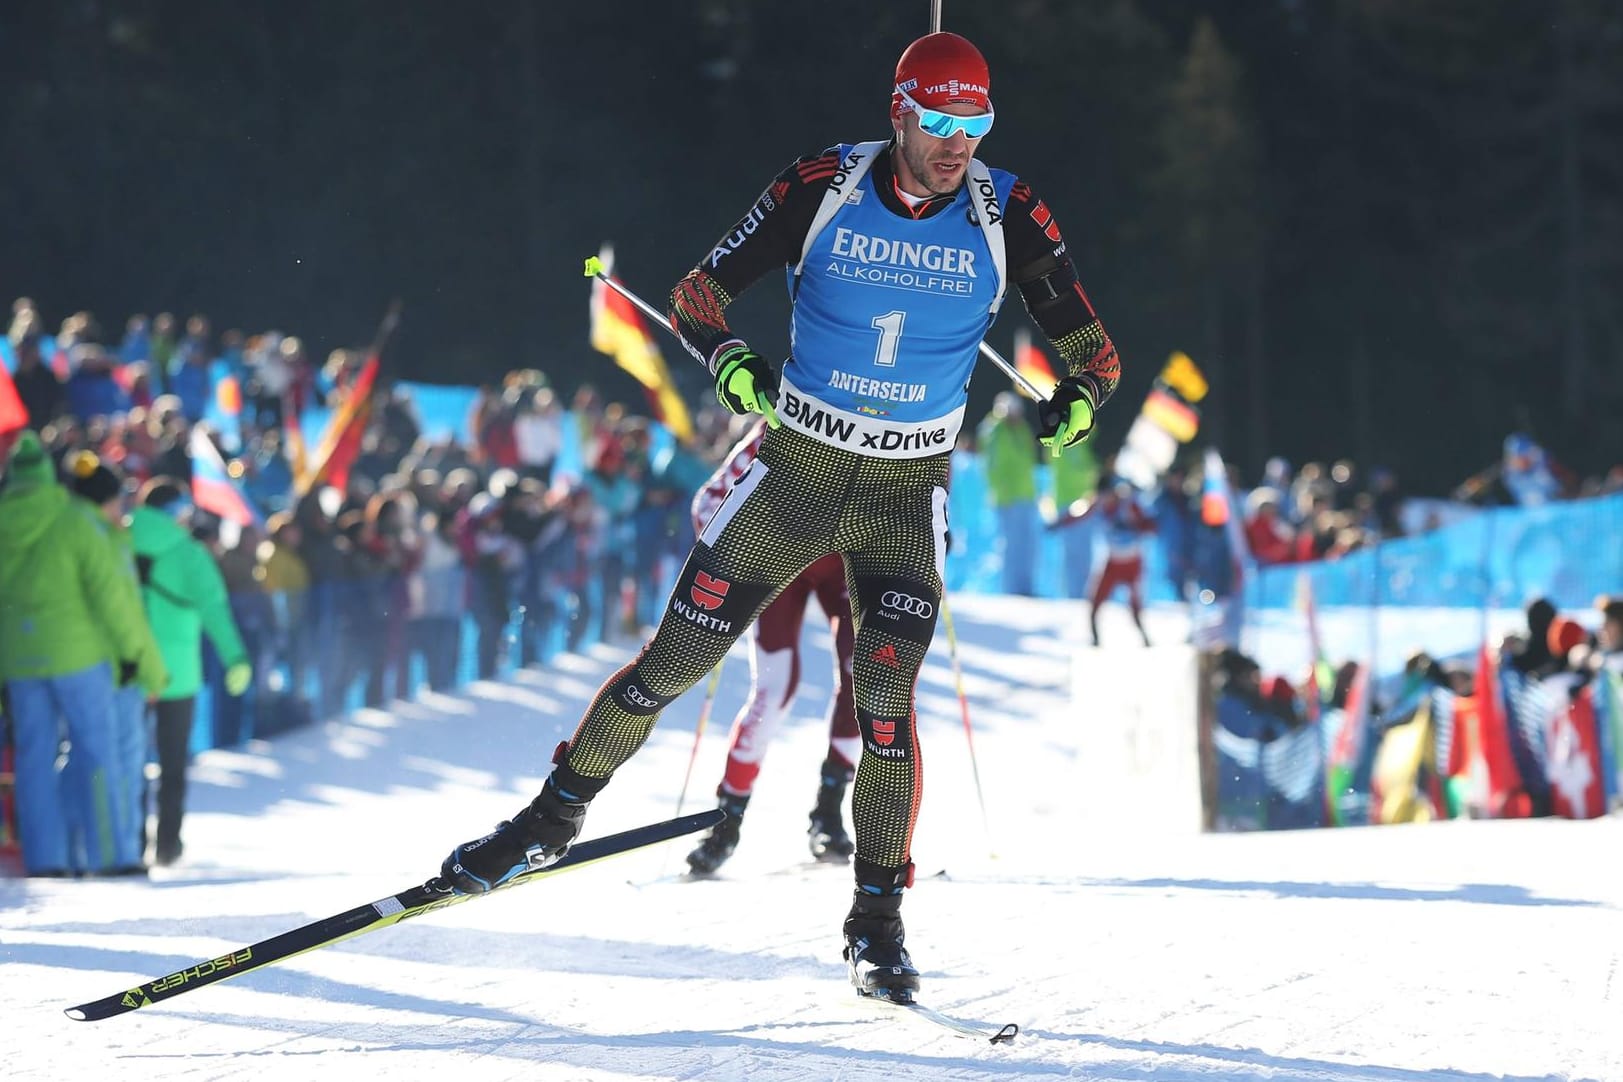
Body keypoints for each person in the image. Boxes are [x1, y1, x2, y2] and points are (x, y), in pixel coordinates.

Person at [439, 31, 1119, 1000]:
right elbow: (694, 294)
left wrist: (1078, 401)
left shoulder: (1008, 208)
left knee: (885, 706)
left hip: (902, 492)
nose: (956, 143)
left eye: (975, 124)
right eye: (938, 121)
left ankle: (876, 922)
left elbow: (1093, 350)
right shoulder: (822, 186)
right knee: (670, 665)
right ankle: (543, 825)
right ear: (899, 111)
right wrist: (728, 356)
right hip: (793, 471)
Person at [684, 418, 862, 876]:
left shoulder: (883, 423)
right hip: (781, 564)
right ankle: (727, 818)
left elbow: (925, 490)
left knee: (862, 681)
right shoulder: (784, 419)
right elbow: (709, 500)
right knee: (776, 688)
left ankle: (829, 811)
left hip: (844, 565)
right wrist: (726, 552)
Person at [0, 433, 166, 876]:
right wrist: (147, 664)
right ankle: (111, 855)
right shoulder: (75, 520)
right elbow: (113, 599)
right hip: (79, 657)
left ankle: (46, 859)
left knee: (35, 758)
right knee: (97, 753)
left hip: (18, 660)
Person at [128, 478, 252, 866]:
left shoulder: (116, 540)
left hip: (127, 671)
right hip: (178, 675)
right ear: (178, 513)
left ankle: (128, 842)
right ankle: (167, 845)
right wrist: (236, 658)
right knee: (172, 765)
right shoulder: (190, 554)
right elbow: (215, 611)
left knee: (127, 763)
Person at [1083, 481, 1156, 647]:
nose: (1106, 499)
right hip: (1113, 562)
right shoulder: (1100, 507)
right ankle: (1095, 638)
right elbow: (1079, 515)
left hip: (1132, 563)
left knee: (1135, 603)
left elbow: (1151, 525)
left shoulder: (1129, 506)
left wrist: (1134, 526)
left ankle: (1145, 637)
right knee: (1096, 600)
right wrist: (1058, 524)